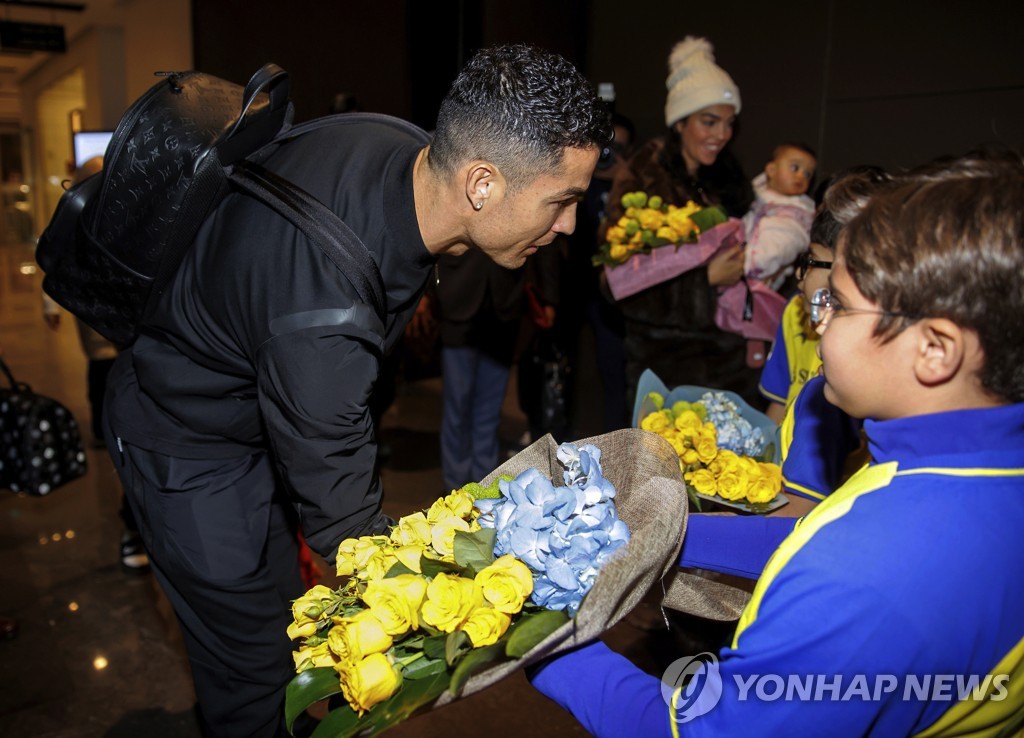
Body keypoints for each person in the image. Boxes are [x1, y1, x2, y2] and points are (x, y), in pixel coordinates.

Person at [103, 44, 611, 738]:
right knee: (253, 677)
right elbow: (354, 536)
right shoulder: (324, 323)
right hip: (184, 445)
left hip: (254, 414)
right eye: (563, 201)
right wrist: (479, 605)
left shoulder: (397, 145)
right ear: (483, 185)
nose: (568, 227)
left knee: (276, 624)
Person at [529, 152, 1024, 737]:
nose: (815, 322)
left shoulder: (867, 578)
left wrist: (541, 638)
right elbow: (815, 533)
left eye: (836, 303)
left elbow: (706, 731)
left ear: (935, 349)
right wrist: (651, 533)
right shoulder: (962, 473)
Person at [604, 36, 755, 408]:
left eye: (729, 123)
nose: (722, 135)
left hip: (731, 369)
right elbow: (616, 285)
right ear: (680, 122)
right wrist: (703, 283)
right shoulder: (643, 178)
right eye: (709, 122)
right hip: (666, 369)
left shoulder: (728, 179)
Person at [43, 156, 150, 575]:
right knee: (114, 405)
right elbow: (58, 256)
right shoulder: (85, 214)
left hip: (148, 349)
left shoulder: (148, 214)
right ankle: (133, 528)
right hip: (113, 343)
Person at [741, 143, 816, 287]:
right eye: (795, 168)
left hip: (766, 264)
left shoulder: (799, 209)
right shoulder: (755, 194)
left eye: (807, 174)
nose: (801, 176)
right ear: (771, 170)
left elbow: (788, 241)